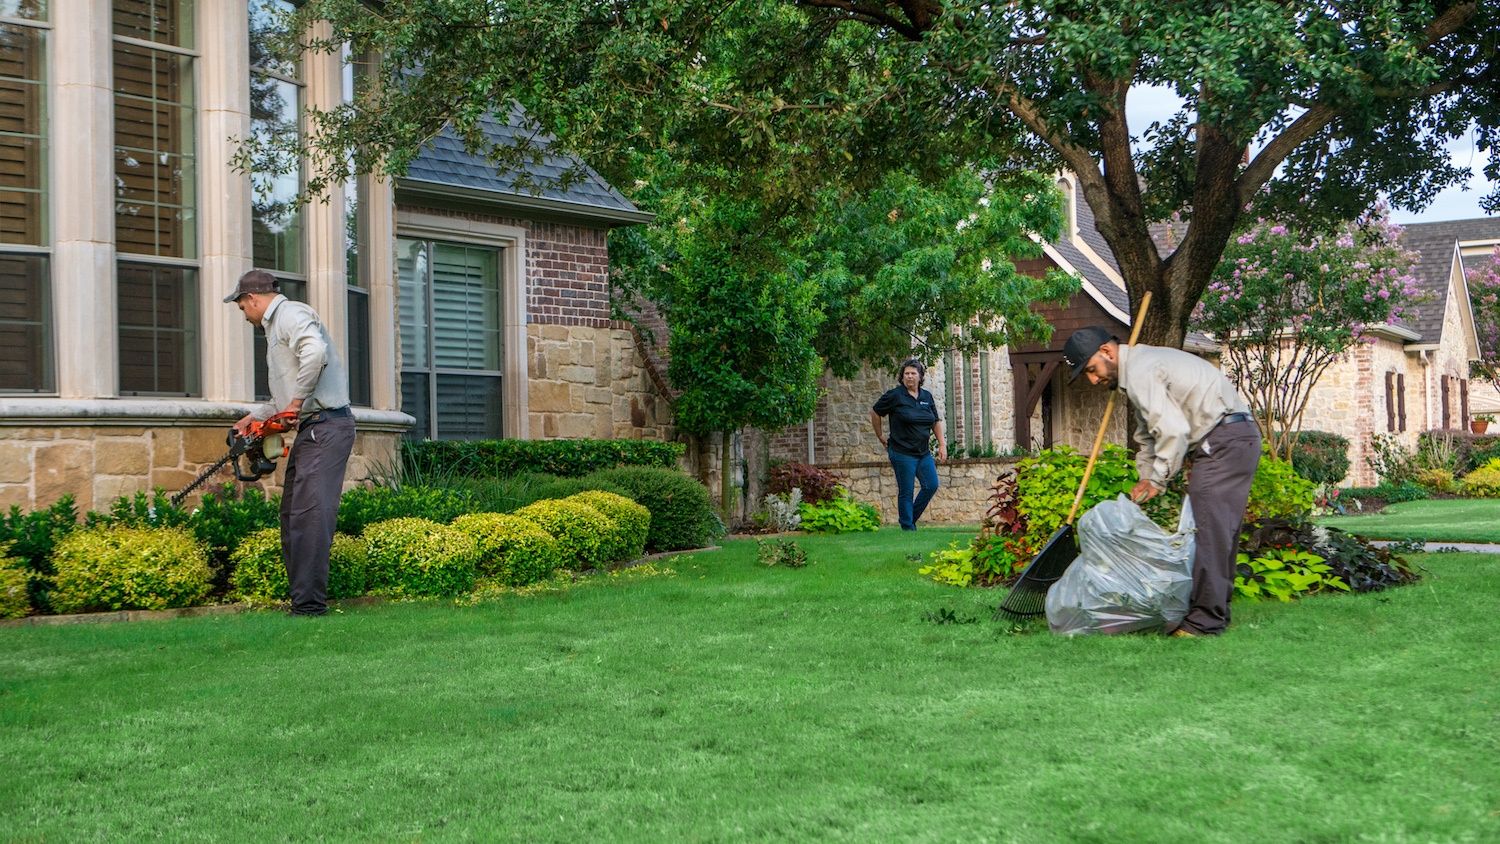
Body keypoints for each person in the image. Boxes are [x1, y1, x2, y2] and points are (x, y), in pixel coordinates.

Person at [1063, 325, 1260, 638]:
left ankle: (1203, 623)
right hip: (1233, 439)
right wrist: (1146, 477)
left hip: (1223, 440)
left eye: (1092, 370)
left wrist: (1158, 479)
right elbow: (1148, 437)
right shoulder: (1138, 370)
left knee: (1209, 530)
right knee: (1218, 532)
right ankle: (1212, 615)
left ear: (1107, 352)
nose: (1093, 380)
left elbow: (1173, 431)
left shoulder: (1141, 371)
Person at [225, 269, 354, 616]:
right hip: (314, 429)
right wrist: (255, 418)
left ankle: (310, 607)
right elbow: (284, 397)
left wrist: (295, 404)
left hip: (326, 426)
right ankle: (302, 601)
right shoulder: (277, 327)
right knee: (294, 514)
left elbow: (315, 353)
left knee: (310, 515)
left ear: (252, 298)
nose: (243, 314)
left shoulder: (291, 314)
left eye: (241, 307)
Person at [871, 359, 948, 530]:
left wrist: (942, 444)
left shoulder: (926, 396)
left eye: (913, 373)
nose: (910, 376)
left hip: (923, 453)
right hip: (901, 452)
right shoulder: (895, 395)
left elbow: (935, 421)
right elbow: (875, 412)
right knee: (906, 491)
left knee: (931, 485)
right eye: (906, 374)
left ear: (920, 376)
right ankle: (908, 528)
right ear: (902, 377)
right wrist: (880, 436)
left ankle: (909, 519)